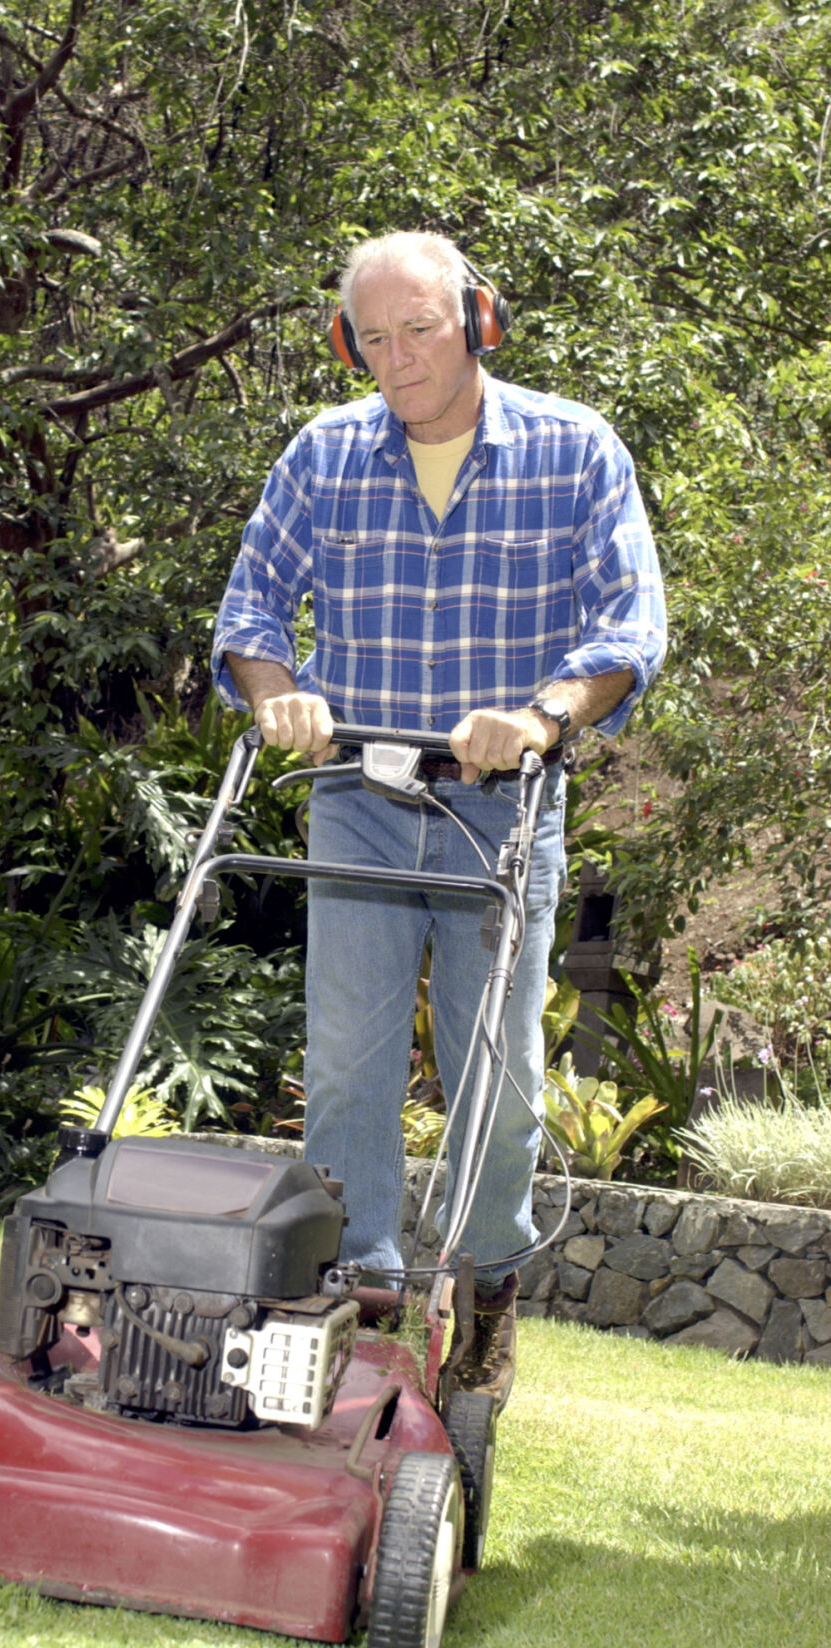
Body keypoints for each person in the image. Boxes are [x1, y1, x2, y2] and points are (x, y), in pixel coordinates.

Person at [212, 231, 666, 1407]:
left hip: (499, 814)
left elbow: (626, 628)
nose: (396, 356)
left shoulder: (572, 450)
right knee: (349, 1068)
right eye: (372, 336)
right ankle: (360, 1300)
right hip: (357, 804)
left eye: (418, 328)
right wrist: (282, 698)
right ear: (343, 340)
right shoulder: (323, 456)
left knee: (497, 1080)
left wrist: (542, 714)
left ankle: (487, 1279)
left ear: (478, 320)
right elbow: (252, 612)